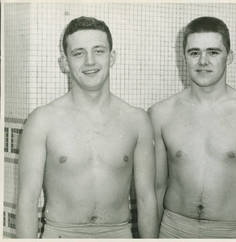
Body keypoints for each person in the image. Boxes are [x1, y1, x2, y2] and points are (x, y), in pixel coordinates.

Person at [16, 16, 158, 238]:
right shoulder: (42, 120)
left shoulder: (136, 120)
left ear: (112, 57)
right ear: (64, 62)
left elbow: (147, 198)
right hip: (61, 234)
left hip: (118, 233)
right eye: (78, 53)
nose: (90, 61)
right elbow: (27, 199)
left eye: (98, 51)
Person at [149, 16, 236, 239]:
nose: (203, 61)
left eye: (213, 52)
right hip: (174, 230)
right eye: (194, 52)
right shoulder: (160, 114)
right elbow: (156, 190)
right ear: (184, 58)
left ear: (229, 57)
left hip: (231, 232)